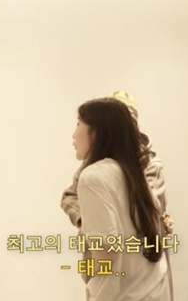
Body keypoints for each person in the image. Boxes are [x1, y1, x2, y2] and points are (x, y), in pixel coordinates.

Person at [63, 90, 175, 301]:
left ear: (101, 129)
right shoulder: (125, 169)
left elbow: (107, 248)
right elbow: (70, 196)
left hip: (123, 283)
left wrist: (96, 285)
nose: (73, 134)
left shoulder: (101, 174)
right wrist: (91, 218)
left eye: (78, 124)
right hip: (147, 284)